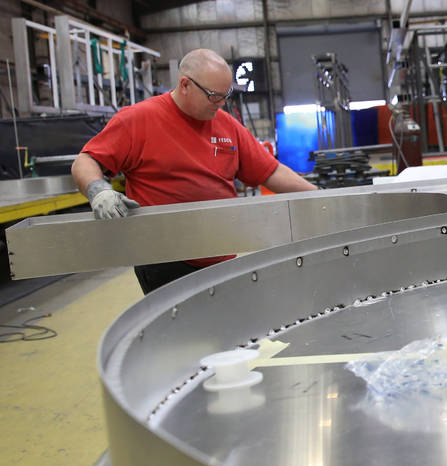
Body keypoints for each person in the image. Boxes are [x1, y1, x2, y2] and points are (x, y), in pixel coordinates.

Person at [71, 48, 316, 294]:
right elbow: (86, 161)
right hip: (165, 260)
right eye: (213, 96)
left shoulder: (226, 125)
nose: (221, 103)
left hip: (219, 254)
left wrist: (319, 196)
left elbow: (270, 172)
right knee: (183, 331)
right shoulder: (138, 120)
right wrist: (98, 191)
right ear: (185, 84)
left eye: (225, 95)